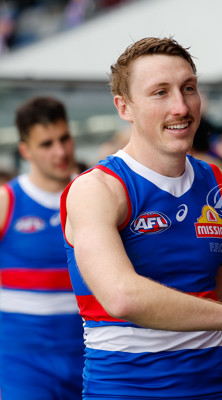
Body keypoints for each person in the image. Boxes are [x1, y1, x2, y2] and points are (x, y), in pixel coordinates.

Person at [60, 37, 222, 399]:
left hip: (212, 390)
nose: (181, 107)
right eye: (160, 93)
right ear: (124, 107)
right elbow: (122, 297)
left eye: (188, 89)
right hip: (124, 391)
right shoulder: (98, 189)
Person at [0, 96, 84, 399]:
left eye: (64, 139)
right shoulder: (6, 201)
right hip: (22, 366)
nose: (60, 152)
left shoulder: (96, 195)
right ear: (26, 151)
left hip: (89, 360)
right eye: (46, 144)